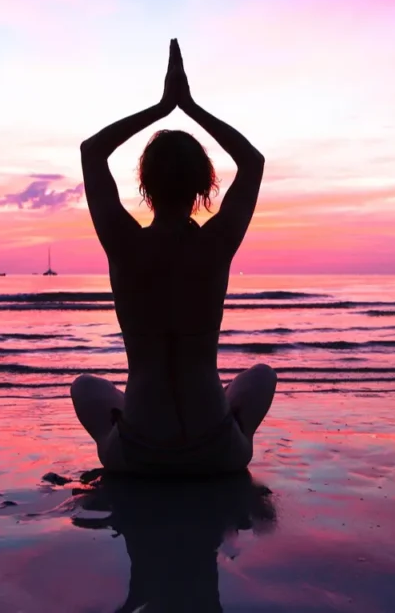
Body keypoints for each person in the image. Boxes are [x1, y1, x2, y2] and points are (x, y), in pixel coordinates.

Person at [72, 38, 276, 475]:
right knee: (260, 376)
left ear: (144, 185)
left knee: (85, 387)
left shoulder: (124, 243)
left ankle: (133, 418)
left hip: (139, 453)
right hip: (217, 451)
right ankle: (230, 422)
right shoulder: (216, 243)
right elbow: (253, 162)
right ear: (204, 187)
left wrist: (162, 106)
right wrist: (191, 106)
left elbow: (92, 151)